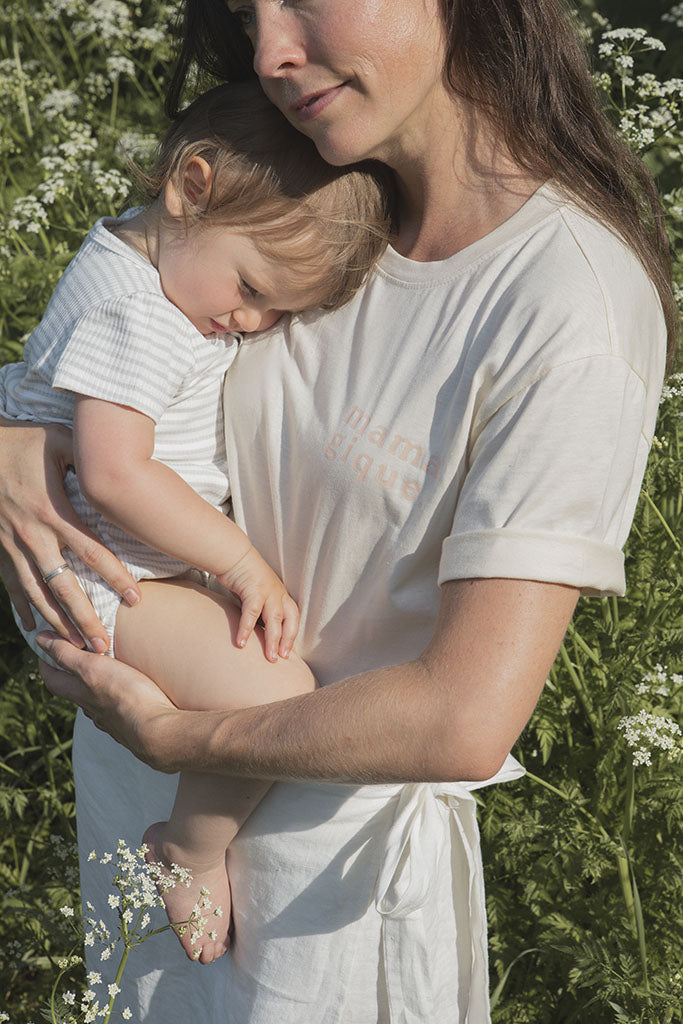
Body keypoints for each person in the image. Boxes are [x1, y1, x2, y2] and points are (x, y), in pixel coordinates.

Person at [0, 0, 675, 1020]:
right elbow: (125, 352)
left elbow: (461, 718)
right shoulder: (294, 188)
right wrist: (16, 430)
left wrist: (189, 740)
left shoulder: (563, 300)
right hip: (134, 783)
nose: (271, 50)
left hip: (323, 904)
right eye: (244, 10)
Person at [0, 80, 389, 962]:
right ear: (192, 186)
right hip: (95, 582)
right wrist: (243, 563)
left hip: (108, 566)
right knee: (278, 696)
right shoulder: (137, 312)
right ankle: (187, 846)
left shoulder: (143, 263)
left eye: (278, 313)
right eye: (251, 287)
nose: (250, 321)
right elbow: (115, 470)